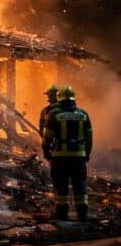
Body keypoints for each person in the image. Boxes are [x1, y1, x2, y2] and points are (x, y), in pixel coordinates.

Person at [42, 85, 93, 221]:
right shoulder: (83, 114)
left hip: (60, 158)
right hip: (78, 158)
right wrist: (86, 154)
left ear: (60, 99)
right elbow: (89, 138)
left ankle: (62, 215)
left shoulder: (54, 115)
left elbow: (47, 137)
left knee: (61, 186)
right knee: (80, 186)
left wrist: (47, 152)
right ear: (73, 99)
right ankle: (82, 215)